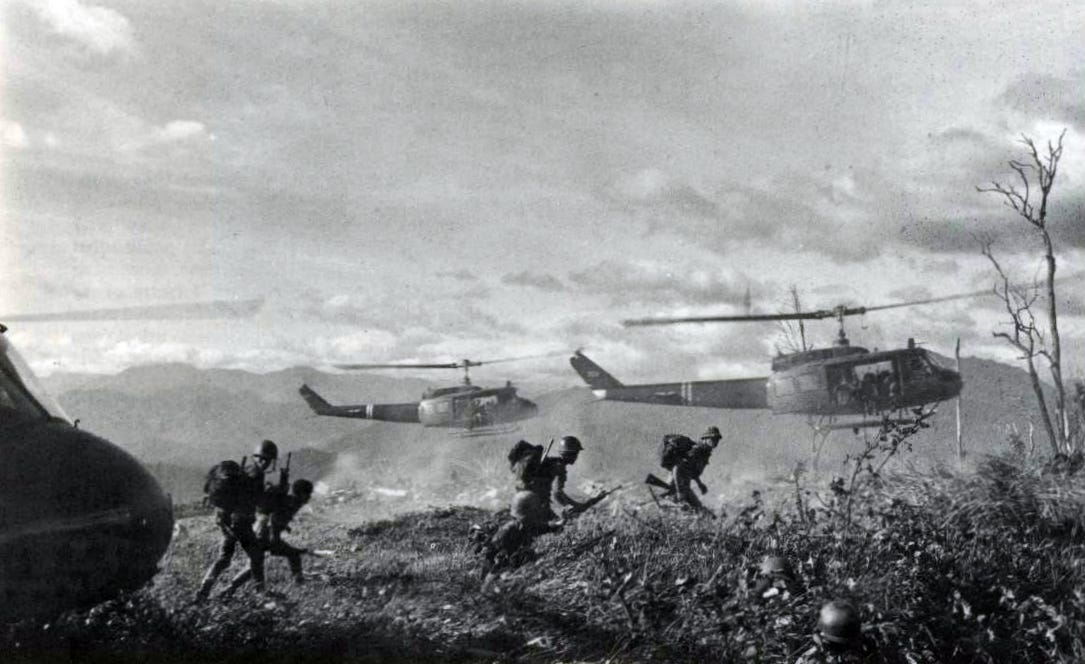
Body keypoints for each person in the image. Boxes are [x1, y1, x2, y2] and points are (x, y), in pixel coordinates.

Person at [194, 439, 278, 602]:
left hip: (225, 519)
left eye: (266, 460)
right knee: (257, 557)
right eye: (265, 460)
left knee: (224, 558)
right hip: (241, 523)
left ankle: (204, 590)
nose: (266, 464)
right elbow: (259, 502)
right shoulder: (257, 474)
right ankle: (258, 592)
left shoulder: (244, 470)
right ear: (262, 459)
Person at [222, 478, 314, 596]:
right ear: (302, 494)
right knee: (290, 555)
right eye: (308, 494)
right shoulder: (293, 503)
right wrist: (275, 538)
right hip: (264, 536)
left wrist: (283, 528)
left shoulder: (292, 501)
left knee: (254, 566)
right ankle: (299, 584)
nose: (309, 497)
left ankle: (229, 590)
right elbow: (275, 519)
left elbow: (276, 517)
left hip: (260, 534)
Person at [670, 426, 721, 514]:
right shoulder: (696, 451)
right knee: (696, 513)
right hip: (675, 488)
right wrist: (679, 492)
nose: (716, 442)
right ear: (705, 439)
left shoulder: (704, 453)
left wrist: (700, 484)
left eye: (717, 439)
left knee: (701, 512)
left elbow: (692, 471)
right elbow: (676, 468)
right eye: (713, 439)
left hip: (684, 488)